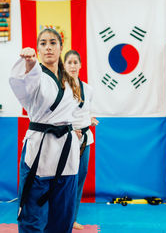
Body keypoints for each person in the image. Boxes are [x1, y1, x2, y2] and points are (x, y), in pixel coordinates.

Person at [9, 28, 82, 233]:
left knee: (63, 214)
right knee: (32, 213)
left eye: (52, 42)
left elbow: (71, 110)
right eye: (42, 43)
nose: (48, 47)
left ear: (60, 47)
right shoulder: (35, 74)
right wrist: (30, 64)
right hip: (40, 150)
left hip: (66, 152)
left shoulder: (69, 80)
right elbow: (23, 86)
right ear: (38, 49)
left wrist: (74, 130)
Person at [64, 49, 99, 230]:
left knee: (80, 178)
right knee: (64, 180)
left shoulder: (88, 89)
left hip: (85, 138)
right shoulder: (61, 87)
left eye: (75, 62)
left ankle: (72, 218)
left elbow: (84, 111)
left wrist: (89, 120)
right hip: (66, 139)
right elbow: (57, 114)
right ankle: (59, 218)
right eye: (69, 62)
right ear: (64, 65)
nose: (72, 66)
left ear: (80, 65)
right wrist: (71, 129)